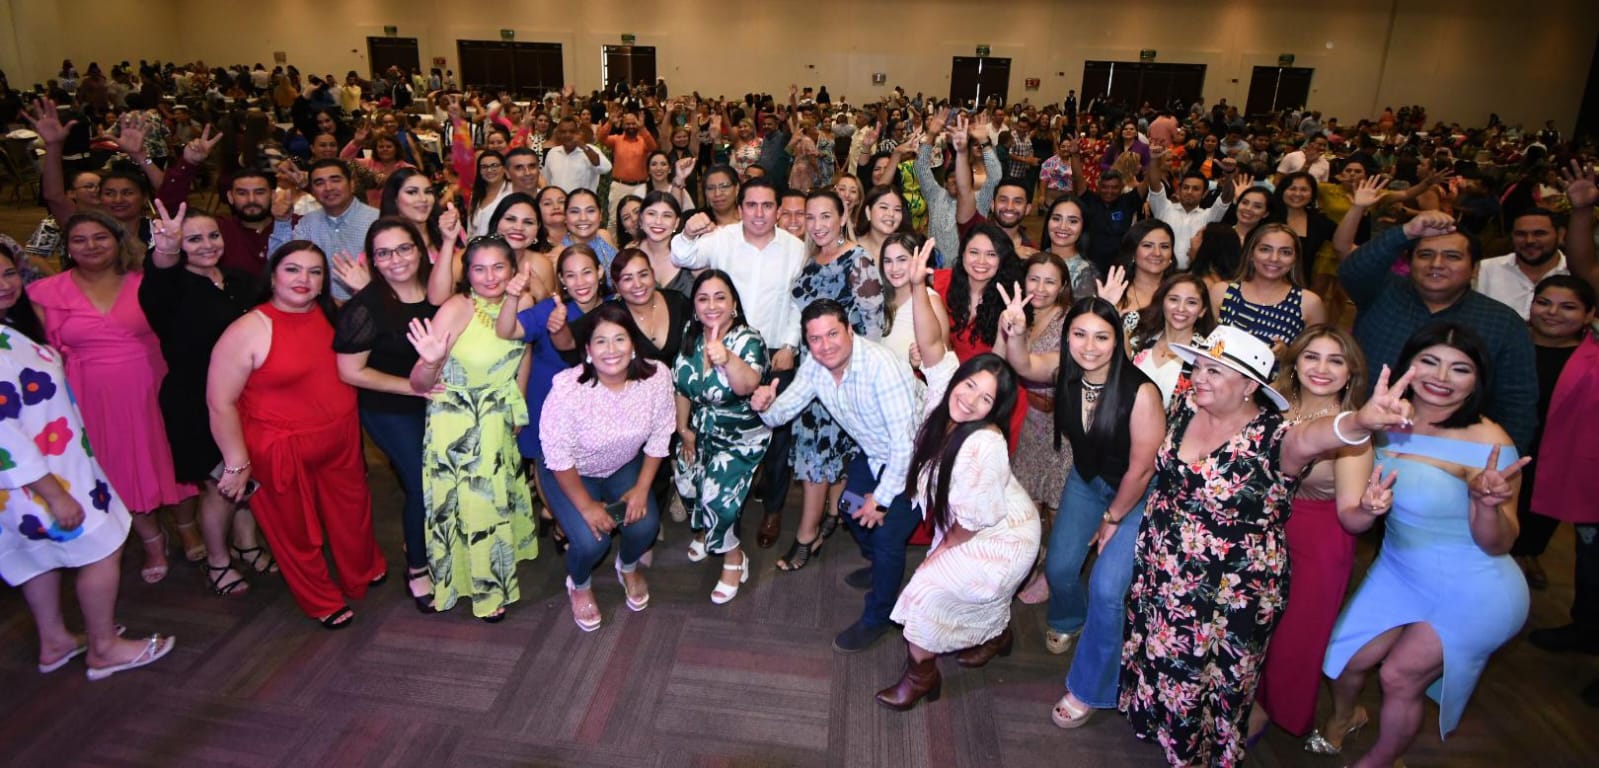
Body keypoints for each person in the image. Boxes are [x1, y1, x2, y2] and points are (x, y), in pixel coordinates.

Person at [1119, 324, 1419, 767]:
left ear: (1248, 387)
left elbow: (1317, 435)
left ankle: (1198, 753)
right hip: (1162, 567)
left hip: (1226, 592)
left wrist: (1362, 421)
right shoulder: (1185, 404)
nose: (1200, 377)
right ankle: (1161, 727)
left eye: (1215, 371)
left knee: (1210, 678)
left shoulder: (1275, 438)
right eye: (1199, 365)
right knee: (1161, 658)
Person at [1320, 324, 1532, 768]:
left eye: (1460, 369)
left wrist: (1486, 505)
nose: (1442, 377)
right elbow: (1352, 511)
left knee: (1399, 676)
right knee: (1345, 657)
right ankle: (1346, 716)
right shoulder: (1378, 419)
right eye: (1430, 362)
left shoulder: (1490, 443)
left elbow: (1499, 544)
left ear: (1478, 380)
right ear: (1408, 365)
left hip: (1475, 587)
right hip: (1399, 569)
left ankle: (1378, 760)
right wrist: (1366, 507)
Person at [874, 272, 1041, 711]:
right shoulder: (945, 391)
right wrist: (916, 288)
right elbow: (931, 343)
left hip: (1002, 535)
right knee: (946, 589)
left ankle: (921, 677)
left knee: (924, 593)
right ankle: (998, 635)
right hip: (976, 516)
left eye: (985, 399)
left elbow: (970, 522)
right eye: (969, 384)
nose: (969, 399)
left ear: (994, 410)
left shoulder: (985, 444)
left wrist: (939, 554)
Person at [999, 291, 1163, 726]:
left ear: (1118, 341)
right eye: (1079, 334)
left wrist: (1112, 519)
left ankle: (1096, 686)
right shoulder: (1068, 370)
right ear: (1067, 336)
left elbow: (1143, 469)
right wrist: (1014, 332)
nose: (1089, 346)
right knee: (1060, 567)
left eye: (1101, 337)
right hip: (1087, 481)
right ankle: (1070, 618)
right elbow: (1023, 364)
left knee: (1109, 591)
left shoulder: (1141, 392)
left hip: (1136, 493)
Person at [207, 241, 387, 629]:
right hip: (280, 446)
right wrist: (237, 464)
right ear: (272, 275)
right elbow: (220, 403)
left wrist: (365, 291)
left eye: (314, 271)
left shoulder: (335, 315)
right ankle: (320, 598)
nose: (303, 279)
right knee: (295, 531)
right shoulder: (249, 328)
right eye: (292, 269)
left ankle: (362, 568)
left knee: (352, 510)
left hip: (339, 436)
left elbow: (388, 329)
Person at [0, 310, 176, 680]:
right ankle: (104, 648)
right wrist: (53, 494)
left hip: (56, 466)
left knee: (38, 558)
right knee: (104, 546)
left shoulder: (11, 329)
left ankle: (55, 642)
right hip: (42, 480)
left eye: (7, 273)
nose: (3, 285)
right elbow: (5, 437)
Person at [28, 211, 195, 584]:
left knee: (172, 458)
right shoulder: (44, 293)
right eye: (79, 240)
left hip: (154, 383)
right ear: (67, 248)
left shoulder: (145, 282)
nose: (90, 246)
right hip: (91, 394)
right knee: (115, 467)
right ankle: (152, 540)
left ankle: (188, 526)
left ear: (118, 240)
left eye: (99, 237)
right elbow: (41, 353)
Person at [750, 298, 925, 654]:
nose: (825, 345)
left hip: (918, 459)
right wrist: (766, 404)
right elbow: (782, 413)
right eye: (815, 338)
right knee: (848, 507)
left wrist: (883, 499)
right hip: (876, 451)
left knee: (888, 534)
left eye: (832, 333)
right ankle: (879, 566)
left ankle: (881, 615)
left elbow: (905, 447)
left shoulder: (881, 367)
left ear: (849, 330)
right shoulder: (816, 367)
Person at [139, 201, 274, 595]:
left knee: (248, 476)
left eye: (212, 235)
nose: (205, 245)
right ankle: (217, 561)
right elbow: (158, 276)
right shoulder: (171, 287)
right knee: (223, 486)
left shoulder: (236, 279)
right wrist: (166, 247)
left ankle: (246, 544)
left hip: (244, 398)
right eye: (192, 239)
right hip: (196, 402)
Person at [1250, 326, 1375, 744]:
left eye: (1335, 360)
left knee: (1293, 637)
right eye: (1312, 357)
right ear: (1295, 361)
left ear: (1351, 372)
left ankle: (1271, 711)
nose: (1321, 369)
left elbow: (1352, 518)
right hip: (1263, 528)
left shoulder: (1352, 430)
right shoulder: (1270, 405)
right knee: (1252, 625)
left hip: (1319, 537)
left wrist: (1369, 511)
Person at [673, 177, 807, 551]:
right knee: (719, 430)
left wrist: (792, 345)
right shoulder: (723, 239)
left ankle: (773, 509)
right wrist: (686, 232)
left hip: (775, 354)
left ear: (778, 210)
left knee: (777, 439)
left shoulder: (796, 248)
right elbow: (681, 256)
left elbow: (798, 302)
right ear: (740, 206)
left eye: (767, 206)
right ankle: (717, 504)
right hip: (723, 350)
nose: (759, 214)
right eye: (752, 205)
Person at [409, 235, 537, 621]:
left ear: (513, 270)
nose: (489, 277)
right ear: (468, 274)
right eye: (479, 269)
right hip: (457, 423)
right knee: (469, 508)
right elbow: (418, 384)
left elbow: (523, 354)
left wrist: (518, 406)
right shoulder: (456, 308)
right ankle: (480, 590)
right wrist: (430, 362)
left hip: (499, 419)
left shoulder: (523, 302)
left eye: (498, 267)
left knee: (492, 504)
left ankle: (490, 577)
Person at [1337, 206, 1537, 452]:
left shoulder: (1503, 323)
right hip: (1360, 437)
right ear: (1409, 262)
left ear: (1474, 269)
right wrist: (1405, 232)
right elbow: (1351, 271)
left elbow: (1517, 403)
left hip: (1451, 453)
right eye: (1425, 255)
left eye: (1452, 256)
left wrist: (1495, 463)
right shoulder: (1382, 292)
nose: (1437, 264)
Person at [537, 302, 673, 628]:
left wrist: (641, 489)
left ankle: (627, 566)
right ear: (587, 350)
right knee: (590, 542)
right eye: (600, 341)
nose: (611, 350)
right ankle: (579, 583)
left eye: (620, 339)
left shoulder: (656, 378)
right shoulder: (568, 389)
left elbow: (660, 435)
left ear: (634, 345)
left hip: (622, 466)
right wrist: (586, 507)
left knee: (644, 525)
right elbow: (557, 456)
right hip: (570, 471)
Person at [335, 218, 441, 612]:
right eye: (384, 253)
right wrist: (413, 387)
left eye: (403, 248)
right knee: (421, 484)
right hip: (390, 407)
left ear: (420, 250)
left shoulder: (437, 294)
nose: (396, 259)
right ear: (373, 261)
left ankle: (431, 542)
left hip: (436, 402)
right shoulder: (365, 307)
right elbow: (350, 371)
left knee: (437, 483)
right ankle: (417, 567)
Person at [776, 189, 884, 570]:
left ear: (842, 217)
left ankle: (807, 537)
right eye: (810, 217)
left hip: (842, 376)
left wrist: (854, 378)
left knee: (816, 458)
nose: (818, 225)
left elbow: (872, 327)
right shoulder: (809, 260)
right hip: (811, 373)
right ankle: (832, 518)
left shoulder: (858, 259)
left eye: (826, 216)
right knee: (828, 455)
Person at [673, 271, 771, 602]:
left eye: (720, 298)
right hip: (699, 429)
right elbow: (681, 385)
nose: (711, 305)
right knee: (686, 482)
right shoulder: (691, 333)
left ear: (734, 305)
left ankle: (733, 556)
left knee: (718, 500)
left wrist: (726, 358)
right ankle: (705, 531)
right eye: (703, 299)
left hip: (740, 435)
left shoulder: (748, 340)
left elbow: (748, 386)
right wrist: (684, 429)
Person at [1514, 276, 1595, 594]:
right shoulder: (1509, 343)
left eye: (1568, 307)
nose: (1552, 313)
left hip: (1562, 456)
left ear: (1589, 315)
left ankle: (1527, 555)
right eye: (1544, 303)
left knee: (1538, 514)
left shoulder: (1594, 357)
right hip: (1504, 448)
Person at [268, 159, 379, 302]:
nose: (328, 187)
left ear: (352, 184)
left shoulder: (377, 221)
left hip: (370, 308)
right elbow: (280, 264)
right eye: (319, 183)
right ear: (312, 191)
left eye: (335, 180)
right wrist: (282, 222)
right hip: (319, 309)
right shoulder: (307, 223)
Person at [1212, 223, 1327, 345]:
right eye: (1265, 249)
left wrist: (1287, 355)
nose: (1274, 258)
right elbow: (1208, 349)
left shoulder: (1309, 303)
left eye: (1285, 252)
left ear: (1295, 259)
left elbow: (1315, 355)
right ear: (1251, 254)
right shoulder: (1222, 292)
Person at [1129, 274, 1217, 405]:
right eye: (1174, 299)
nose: (1181, 308)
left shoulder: (1207, 354)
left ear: (1202, 311)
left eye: (1191, 302)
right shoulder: (1140, 338)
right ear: (1162, 302)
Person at [1472, 208, 1570, 319]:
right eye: (1521, 234)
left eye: (1539, 233)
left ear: (1561, 234)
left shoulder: (1574, 271)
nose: (1529, 241)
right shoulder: (1484, 270)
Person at [877, 232, 951, 366]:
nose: (894, 268)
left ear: (916, 261)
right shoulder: (877, 299)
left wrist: (919, 363)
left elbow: (944, 363)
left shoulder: (931, 301)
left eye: (902, 260)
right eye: (888, 261)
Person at [610, 248, 690, 365]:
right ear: (616, 286)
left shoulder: (678, 302)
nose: (638, 284)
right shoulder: (610, 314)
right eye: (627, 278)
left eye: (643, 275)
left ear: (652, 274)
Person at [635, 191, 692, 296]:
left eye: (667, 215)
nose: (658, 221)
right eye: (651, 214)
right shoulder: (630, 254)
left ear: (676, 223)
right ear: (641, 220)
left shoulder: (690, 254)